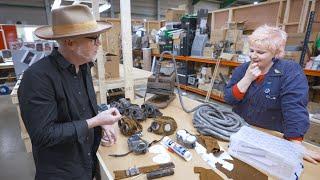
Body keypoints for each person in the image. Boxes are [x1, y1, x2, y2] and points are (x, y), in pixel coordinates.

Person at [18, 5, 121, 179]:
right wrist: (94, 121)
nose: (99, 43)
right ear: (70, 42)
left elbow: (81, 111)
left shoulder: (83, 66)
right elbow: (43, 135)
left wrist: (100, 122)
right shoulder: (37, 78)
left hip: (86, 163)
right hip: (62, 173)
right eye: (93, 38)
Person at [224, 25, 320, 164]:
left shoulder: (290, 71)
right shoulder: (243, 69)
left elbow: (294, 107)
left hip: (271, 136)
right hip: (240, 131)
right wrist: (247, 79)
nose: (253, 56)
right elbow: (229, 98)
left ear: (276, 53)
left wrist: (295, 144)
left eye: (261, 52)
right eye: (251, 50)